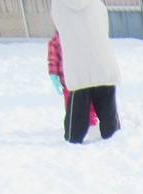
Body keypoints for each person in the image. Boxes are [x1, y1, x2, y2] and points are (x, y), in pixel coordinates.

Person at [50, 0, 121, 144]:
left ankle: (72, 145)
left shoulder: (59, 4)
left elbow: (59, 24)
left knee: (76, 121)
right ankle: (115, 142)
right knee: (109, 117)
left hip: (78, 67)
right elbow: (104, 25)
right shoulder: (96, 3)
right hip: (102, 62)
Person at [47, 30, 98, 132]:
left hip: (83, 78)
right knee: (71, 104)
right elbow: (53, 60)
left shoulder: (80, 37)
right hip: (68, 81)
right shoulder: (55, 41)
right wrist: (53, 75)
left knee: (88, 101)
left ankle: (91, 121)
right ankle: (75, 122)